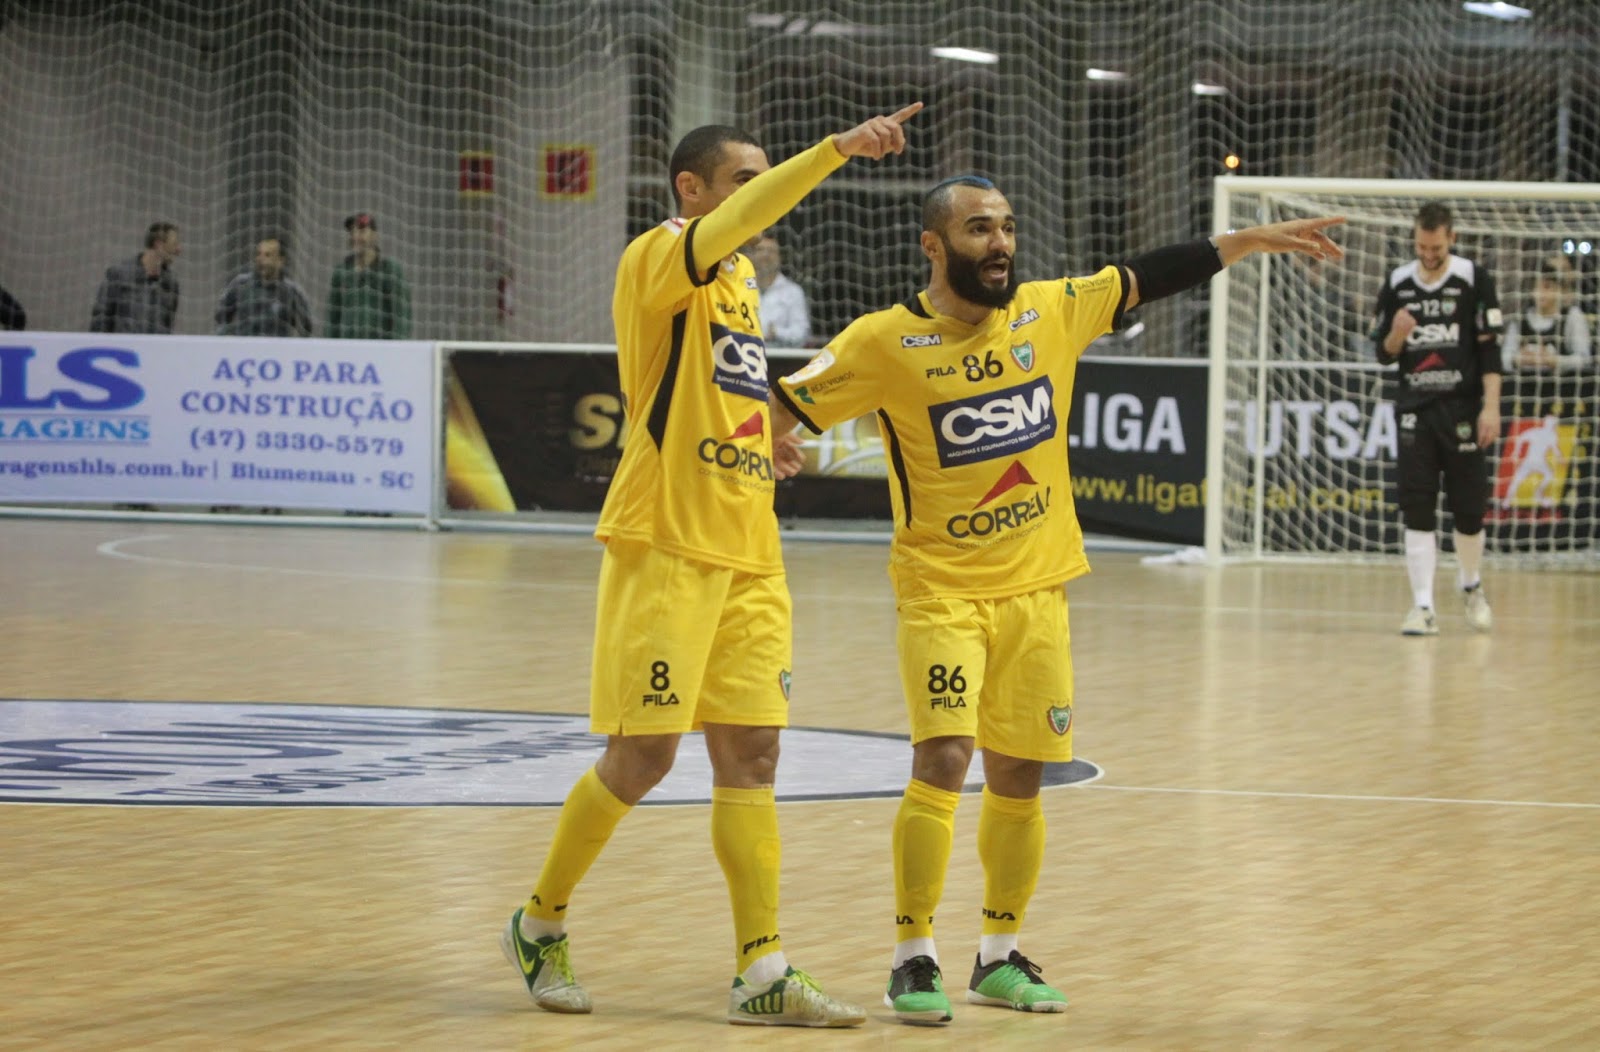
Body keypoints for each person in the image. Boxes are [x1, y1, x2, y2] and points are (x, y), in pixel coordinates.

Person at [769, 175, 1343, 1026]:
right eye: (976, 230)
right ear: (934, 245)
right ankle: (912, 956)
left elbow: (1146, 274)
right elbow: (779, 405)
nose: (998, 244)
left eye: (1005, 228)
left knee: (1021, 775)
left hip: (1039, 592)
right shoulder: (882, 342)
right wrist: (770, 442)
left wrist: (1250, 243)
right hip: (941, 593)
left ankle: (997, 956)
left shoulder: (1049, 311)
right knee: (944, 759)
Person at [500, 102, 923, 1029]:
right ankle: (539, 921)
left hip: (750, 547)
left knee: (754, 752)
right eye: (744, 180)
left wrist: (762, 432)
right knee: (643, 756)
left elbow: (717, 387)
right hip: (667, 542)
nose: (756, 199)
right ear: (693, 190)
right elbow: (720, 254)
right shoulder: (660, 254)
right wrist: (836, 151)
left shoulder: (738, 286)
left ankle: (761, 971)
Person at [1372, 201, 1502, 636]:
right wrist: (1398, 333)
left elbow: (1490, 351)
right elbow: (1383, 353)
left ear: (1451, 239)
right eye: (1422, 246)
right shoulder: (1398, 283)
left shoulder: (1472, 279)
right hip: (1415, 413)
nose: (1428, 254)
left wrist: (1491, 406)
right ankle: (1423, 607)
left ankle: (1471, 586)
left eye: (1436, 247)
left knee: (1468, 512)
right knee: (1417, 507)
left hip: (1463, 411)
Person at [326, 212, 410, 339]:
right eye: (352, 232)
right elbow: (332, 316)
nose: (355, 236)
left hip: (381, 348)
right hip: (347, 347)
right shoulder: (341, 272)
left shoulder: (390, 269)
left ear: (374, 235)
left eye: (361, 231)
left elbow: (402, 314)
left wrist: (397, 348)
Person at [1502, 259, 1592, 374]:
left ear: (1559, 290)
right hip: (1525, 386)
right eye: (1536, 287)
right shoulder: (1520, 319)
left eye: (1547, 287)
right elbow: (1503, 357)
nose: (1540, 293)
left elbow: (1584, 359)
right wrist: (1517, 360)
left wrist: (1555, 361)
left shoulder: (1572, 316)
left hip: (1561, 387)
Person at [90, 222, 181, 333]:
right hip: (122, 348)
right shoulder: (119, 274)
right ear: (159, 245)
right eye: (174, 244)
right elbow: (101, 317)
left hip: (154, 349)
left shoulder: (171, 284)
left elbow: (168, 325)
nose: (178, 250)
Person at [215, 237, 314, 337]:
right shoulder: (240, 284)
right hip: (245, 349)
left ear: (280, 261)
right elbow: (221, 317)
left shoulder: (291, 292)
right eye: (258, 254)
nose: (260, 259)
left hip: (277, 350)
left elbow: (306, 327)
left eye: (267, 255)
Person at [750, 231, 812, 346]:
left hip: (781, 360)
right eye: (760, 250)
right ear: (752, 255)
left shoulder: (793, 292)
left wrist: (776, 332)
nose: (765, 255)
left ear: (780, 258)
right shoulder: (741, 288)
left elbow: (802, 334)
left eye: (771, 251)